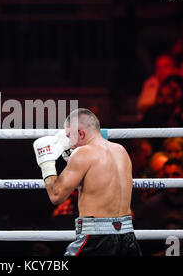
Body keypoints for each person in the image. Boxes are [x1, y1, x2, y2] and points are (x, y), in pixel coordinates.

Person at [32, 108, 141, 256]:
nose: (69, 144)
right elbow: (96, 183)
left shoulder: (83, 153)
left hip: (97, 239)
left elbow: (56, 195)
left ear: (81, 133)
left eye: (70, 136)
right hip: (128, 236)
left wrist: (47, 163)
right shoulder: (121, 151)